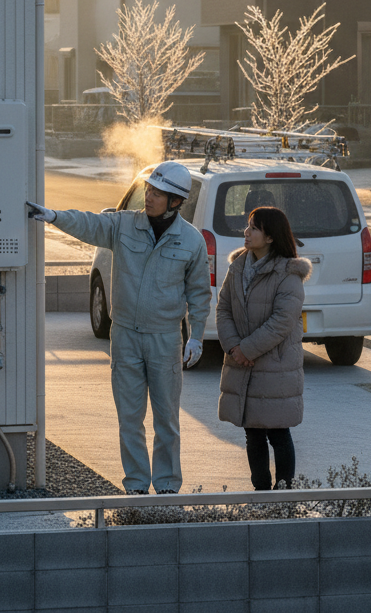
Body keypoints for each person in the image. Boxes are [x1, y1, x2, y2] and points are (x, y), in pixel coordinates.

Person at [27, 161, 210, 494]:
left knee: (167, 419)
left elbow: (199, 293)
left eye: (157, 193)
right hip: (125, 336)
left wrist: (196, 336)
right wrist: (54, 216)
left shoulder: (191, 241)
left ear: (176, 201)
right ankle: (136, 486)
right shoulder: (123, 225)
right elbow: (89, 223)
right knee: (129, 418)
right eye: (149, 190)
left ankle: (167, 487)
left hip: (165, 338)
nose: (148, 197)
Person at [216, 205, 311, 491]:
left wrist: (246, 350)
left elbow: (282, 322)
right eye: (248, 226)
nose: (246, 232)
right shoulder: (237, 267)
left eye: (254, 228)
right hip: (242, 362)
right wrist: (234, 347)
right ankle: (260, 493)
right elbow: (223, 309)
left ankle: (283, 497)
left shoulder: (288, 273)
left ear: (270, 237)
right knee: (253, 433)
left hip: (275, 366)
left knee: (278, 434)